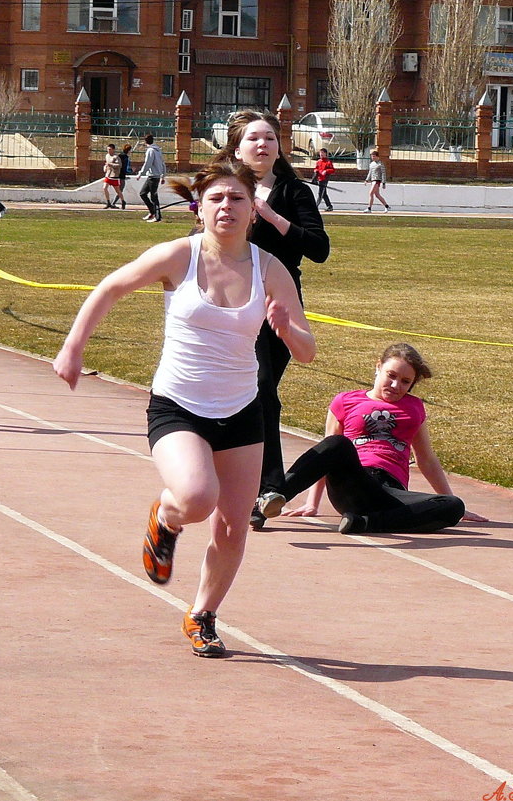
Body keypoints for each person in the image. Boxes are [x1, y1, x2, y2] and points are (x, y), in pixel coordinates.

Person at [52, 161, 315, 657]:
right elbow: (111, 287)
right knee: (196, 497)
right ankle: (167, 516)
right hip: (179, 405)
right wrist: (73, 346)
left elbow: (307, 351)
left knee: (234, 526)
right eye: (216, 199)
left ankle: (202, 615)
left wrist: (286, 328)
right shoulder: (179, 256)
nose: (226, 208)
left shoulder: (269, 268)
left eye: (237, 199)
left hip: (242, 411)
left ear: (253, 209)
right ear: (200, 206)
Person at [217, 109, 330, 530]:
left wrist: (270, 215)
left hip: (279, 304)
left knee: (262, 386)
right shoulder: (224, 190)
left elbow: (319, 249)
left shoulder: (294, 191)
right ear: (236, 147)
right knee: (248, 389)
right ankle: (260, 486)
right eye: (253, 139)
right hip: (230, 302)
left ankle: (264, 488)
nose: (262, 145)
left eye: (269, 138)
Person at [258, 343, 488, 533]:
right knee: (338, 444)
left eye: (406, 382)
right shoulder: (345, 401)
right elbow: (323, 454)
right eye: (391, 375)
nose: (396, 385)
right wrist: (312, 503)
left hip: (390, 493)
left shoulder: (414, 407)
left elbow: (426, 459)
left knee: (453, 506)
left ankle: (363, 523)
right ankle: (268, 501)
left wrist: (447, 496)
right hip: (352, 482)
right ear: (378, 368)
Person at [135, 133, 166, 222]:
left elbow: (147, 163)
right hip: (154, 176)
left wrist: (140, 174)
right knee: (143, 193)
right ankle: (152, 212)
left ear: (145, 142)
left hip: (153, 176)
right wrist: (163, 175)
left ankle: (157, 217)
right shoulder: (158, 150)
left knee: (153, 197)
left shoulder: (150, 151)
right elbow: (163, 163)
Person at [102, 143, 125, 209]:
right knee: (104, 188)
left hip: (114, 176)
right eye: (107, 149)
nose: (108, 151)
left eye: (110, 149)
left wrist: (111, 164)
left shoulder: (116, 157)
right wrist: (105, 167)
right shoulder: (107, 156)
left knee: (117, 190)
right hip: (108, 175)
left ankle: (123, 201)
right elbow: (106, 163)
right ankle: (108, 202)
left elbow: (119, 165)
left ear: (113, 149)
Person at [313, 147, 335, 212]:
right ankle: (329, 206)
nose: (321, 154)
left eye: (322, 153)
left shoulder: (328, 162)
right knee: (324, 194)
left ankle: (315, 206)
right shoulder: (318, 162)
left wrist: (326, 171)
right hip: (319, 179)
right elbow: (316, 168)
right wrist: (315, 171)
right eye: (320, 153)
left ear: (325, 154)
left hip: (324, 179)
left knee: (320, 193)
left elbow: (332, 170)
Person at [110, 143, 132, 209]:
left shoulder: (119, 156)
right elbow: (125, 168)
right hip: (121, 176)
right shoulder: (125, 158)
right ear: (128, 150)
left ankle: (114, 203)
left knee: (119, 190)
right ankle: (114, 203)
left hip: (117, 175)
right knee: (120, 190)